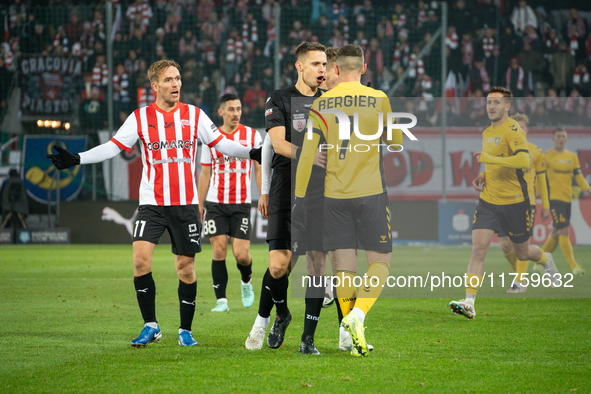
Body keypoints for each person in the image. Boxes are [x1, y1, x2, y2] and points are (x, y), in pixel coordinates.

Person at [47, 59, 262, 347]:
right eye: (170, 80)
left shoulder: (195, 115)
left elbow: (221, 144)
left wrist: (252, 152)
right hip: (152, 204)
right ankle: (151, 326)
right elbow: (113, 147)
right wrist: (77, 158)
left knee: (185, 268)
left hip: (185, 205)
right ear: (155, 86)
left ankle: (185, 330)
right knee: (139, 261)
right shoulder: (139, 118)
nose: (176, 84)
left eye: (178, 78)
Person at [294, 44, 403, 357]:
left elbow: (307, 159)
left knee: (345, 269)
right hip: (370, 193)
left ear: (336, 69)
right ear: (364, 68)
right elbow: (394, 142)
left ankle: (347, 336)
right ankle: (357, 316)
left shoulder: (322, 103)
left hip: (334, 197)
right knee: (380, 261)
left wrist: (299, 199)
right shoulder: (378, 98)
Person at [244, 42, 326, 354]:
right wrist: (308, 156)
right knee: (279, 266)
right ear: (300, 66)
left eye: (324, 64)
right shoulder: (278, 99)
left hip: (320, 193)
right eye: (315, 64)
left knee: (317, 263)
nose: (321, 70)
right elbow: (276, 144)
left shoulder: (330, 103)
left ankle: (308, 340)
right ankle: (281, 314)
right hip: (284, 188)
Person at [450, 86, 559, 320]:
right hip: (489, 201)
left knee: (522, 253)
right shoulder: (487, 132)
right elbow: (495, 164)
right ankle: (469, 301)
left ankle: (544, 258)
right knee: (478, 249)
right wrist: (484, 175)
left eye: (497, 103)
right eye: (489, 102)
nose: (491, 106)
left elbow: (523, 159)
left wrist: (488, 158)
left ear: (507, 106)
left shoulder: (514, 130)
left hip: (515, 203)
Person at [198, 94, 262, 312]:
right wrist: (199, 204)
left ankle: (246, 282)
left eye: (239, 109)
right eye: (231, 109)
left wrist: (264, 194)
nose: (236, 113)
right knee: (219, 251)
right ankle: (221, 301)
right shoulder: (211, 139)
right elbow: (205, 172)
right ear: (221, 112)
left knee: (241, 255)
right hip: (215, 203)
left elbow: (259, 169)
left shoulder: (252, 136)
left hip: (241, 204)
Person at [473, 113, 550, 293]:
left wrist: (545, 205)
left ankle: (519, 281)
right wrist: (483, 176)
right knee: (506, 246)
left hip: (525, 201)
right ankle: (526, 271)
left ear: (526, 130)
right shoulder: (502, 147)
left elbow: (542, 181)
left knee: (521, 247)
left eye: (521, 127)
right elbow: (493, 169)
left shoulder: (535, 152)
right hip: (498, 200)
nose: (518, 130)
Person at [541, 127, 590, 276]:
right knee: (564, 231)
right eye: (558, 136)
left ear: (566, 138)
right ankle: (574, 266)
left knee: (556, 233)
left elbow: (578, 175)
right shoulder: (546, 156)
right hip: (553, 199)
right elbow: (540, 178)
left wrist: (587, 188)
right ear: (553, 138)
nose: (561, 139)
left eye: (563, 136)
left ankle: (539, 261)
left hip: (567, 199)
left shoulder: (572, 157)